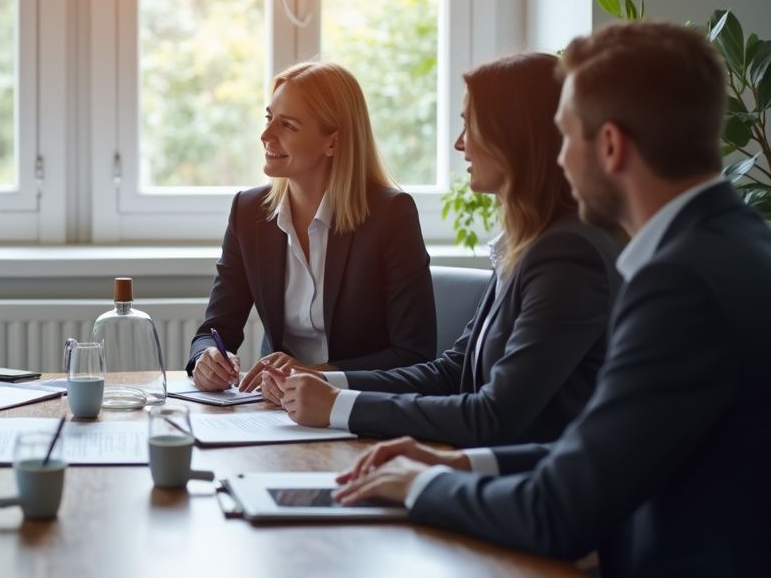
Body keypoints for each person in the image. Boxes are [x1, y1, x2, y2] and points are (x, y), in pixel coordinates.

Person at [332, 22, 771, 578]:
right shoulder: (738, 244)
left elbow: (559, 512)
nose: (558, 158)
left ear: (610, 146)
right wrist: (459, 463)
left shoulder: (681, 281)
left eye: (565, 135)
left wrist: (420, 487)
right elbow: (602, 450)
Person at [259, 53, 619, 447]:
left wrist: (339, 407)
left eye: (470, 125)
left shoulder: (567, 257)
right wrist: (325, 381)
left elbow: (494, 415)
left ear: (516, 135)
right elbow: (453, 371)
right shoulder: (528, 245)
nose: (459, 143)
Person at [188, 62, 436, 391]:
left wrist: (318, 375)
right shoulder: (248, 213)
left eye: (287, 125)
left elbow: (413, 354)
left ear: (332, 143)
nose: (265, 135)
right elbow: (214, 329)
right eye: (268, 118)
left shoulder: (390, 215)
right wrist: (206, 358)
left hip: (360, 408)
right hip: (274, 409)